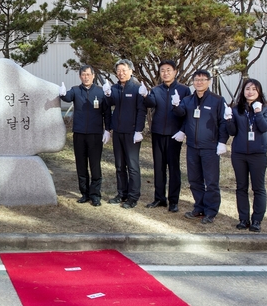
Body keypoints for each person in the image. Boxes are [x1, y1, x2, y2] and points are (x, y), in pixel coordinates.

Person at [173, 69, 229, 224]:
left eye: (203, 79)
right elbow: (181, 115)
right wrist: (176, 105)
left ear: (209, 81)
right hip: (192, 146)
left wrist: (222, 142)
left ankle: (211, 211)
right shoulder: (189, 99)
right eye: (196, 79)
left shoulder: (217, 100)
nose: (199, 82)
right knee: (194, 179)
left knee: (211, 181)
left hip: (210, 147)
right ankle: (199, 207)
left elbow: (224, 122)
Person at [59, 65, 112, 207]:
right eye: (83, 74)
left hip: (95, 134)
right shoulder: (76, 90)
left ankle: (95, 194)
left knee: (95, 165)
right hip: (79, 134)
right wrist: (63, 93)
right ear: (80, 76)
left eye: (88, 74)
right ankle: (84, 193)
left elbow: (107, 113)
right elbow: (67, 97)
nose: (86, 77)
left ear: (93, 75)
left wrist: (107, 129)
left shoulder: (100, 92)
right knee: (81, 165)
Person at [142, 60, 190, 213]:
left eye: (169, 70)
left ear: (175, 72)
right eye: (162, 70)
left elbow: (186, 115)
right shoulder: (156, 90)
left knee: (174, 168)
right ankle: (159, 198)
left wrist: (182, 131)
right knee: (159, 167)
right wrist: (145, 95)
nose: (165, 73)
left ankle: (173, 200)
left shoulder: (184, 90)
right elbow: (151, 104)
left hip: (174, 134)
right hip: (157, 133)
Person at [226, 79, 267, 233]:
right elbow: (232, 131)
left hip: (258, 154)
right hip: (239, 154)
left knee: (258, 188)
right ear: (243, 91)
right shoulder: (237, 109)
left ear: (259, 91)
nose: (250, 92)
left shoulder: (266, 108)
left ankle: (257, 220)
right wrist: (228, 119)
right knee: (241, 187)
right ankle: (243, 219)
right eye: (247, 89)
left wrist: (258, 112)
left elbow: (264, 126)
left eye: (254, 89)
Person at [103, 59, 147, 209]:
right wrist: (108, 94)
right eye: (118, 71)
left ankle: (133, 197)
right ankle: (122, 193)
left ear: (131, 71)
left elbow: (142, 111)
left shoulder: (137, 88)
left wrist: (139, 130)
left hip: (132, 133)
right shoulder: (114, 88)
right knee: (120, 165)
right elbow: (109, 105)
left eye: (124, 70)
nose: (121, 73)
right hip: (118, 131)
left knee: (132, 165)